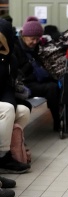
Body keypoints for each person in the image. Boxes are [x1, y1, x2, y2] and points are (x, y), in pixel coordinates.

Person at [13, 16, 61, 131]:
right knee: (52, 88)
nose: (35, 42)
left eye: (37, 39)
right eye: (32, 39)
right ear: (24, 36)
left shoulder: (37, 47)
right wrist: (29, 64)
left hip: (36, 80)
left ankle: (60, 119)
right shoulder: (15, 47)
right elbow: (17, 72)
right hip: (24, 84)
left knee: (58, 83)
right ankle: (58, 123)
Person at [0, 18, 31, 174]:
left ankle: (14, 150)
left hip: (3, 97)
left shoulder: (10, 58)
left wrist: (12, 101)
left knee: (23, 111)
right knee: (7, 109)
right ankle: (3, 156)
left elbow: (9, 86)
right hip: (2, 103)